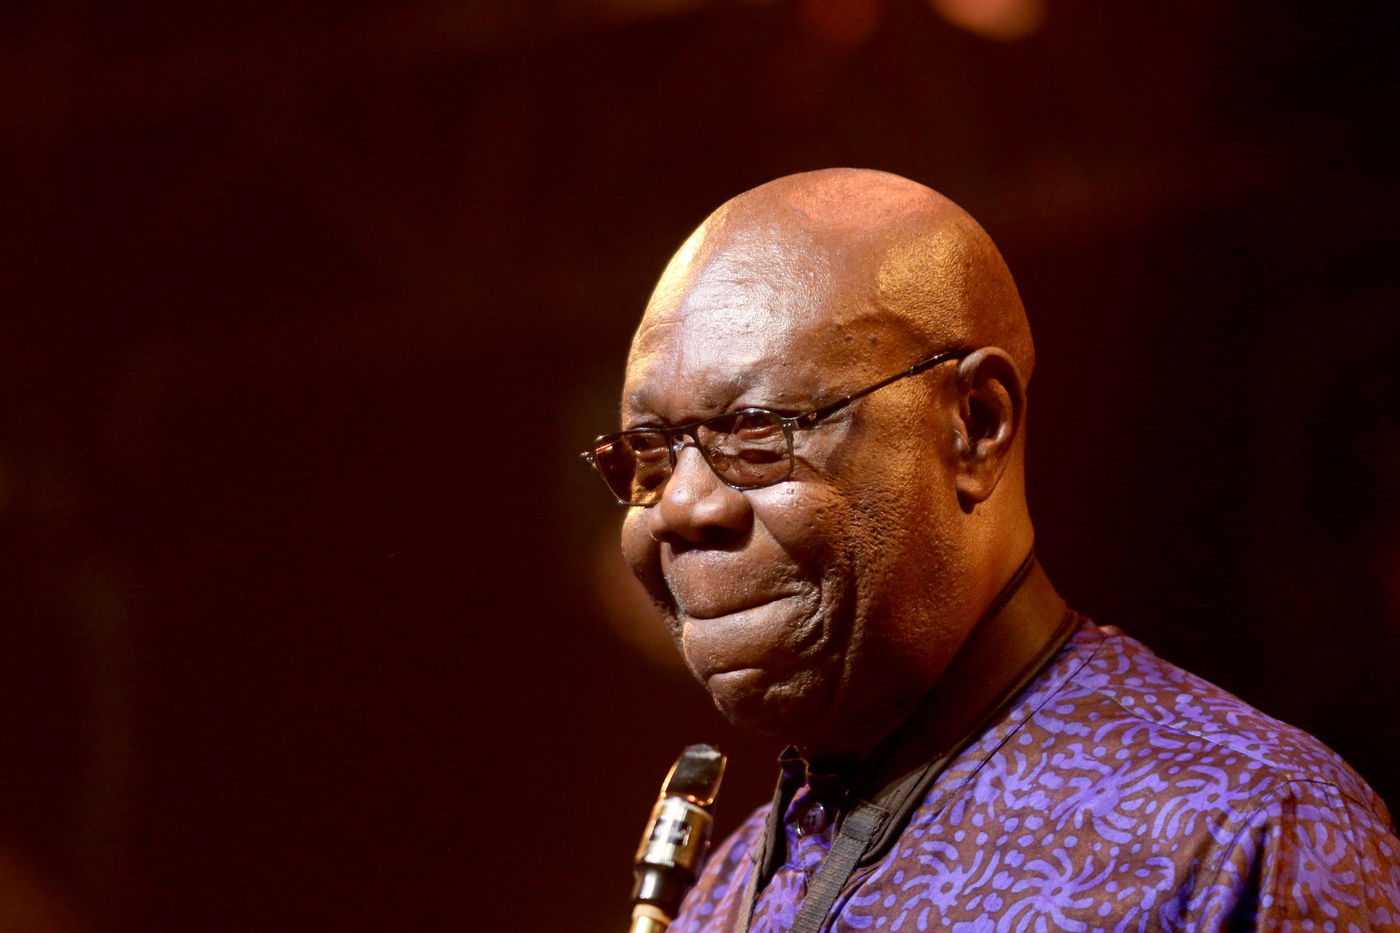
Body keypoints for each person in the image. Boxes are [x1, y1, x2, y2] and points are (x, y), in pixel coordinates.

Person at [582, 169, 1400, 932]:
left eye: (758, 427)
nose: (679, 506)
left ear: (975, 424)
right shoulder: (721, 891)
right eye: (649, 450)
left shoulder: (1248, 826)